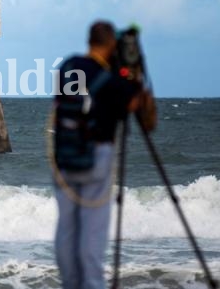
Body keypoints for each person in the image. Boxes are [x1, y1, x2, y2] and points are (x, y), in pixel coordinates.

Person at [52, 20, 154, 289]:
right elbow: (140, 111)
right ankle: (93, 284)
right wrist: (135, 75)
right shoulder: (110, 79)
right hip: (96, 156)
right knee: (93, 232)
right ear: (111, 44)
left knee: (67, 229)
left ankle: (70, 284)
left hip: (64, 156)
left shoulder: (67, 67)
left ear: (89, 40)